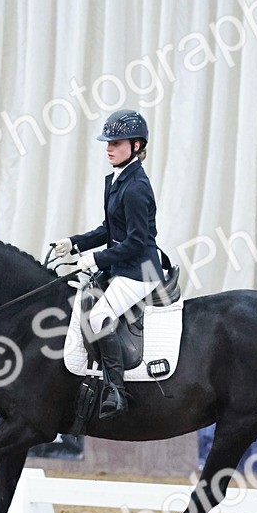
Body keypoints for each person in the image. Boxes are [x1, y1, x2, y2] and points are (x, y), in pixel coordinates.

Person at [52, 109, 163, 420]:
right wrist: (74, 243)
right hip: (122, 267)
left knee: (99, 317)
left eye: (116, 142)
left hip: (141, 271)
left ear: (137, 146)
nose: (109, 148)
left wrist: (94, 258)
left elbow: (137, 242)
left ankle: (116, 390)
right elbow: (108, 230)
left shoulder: (137, 187)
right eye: (108, 142)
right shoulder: (116, 180)